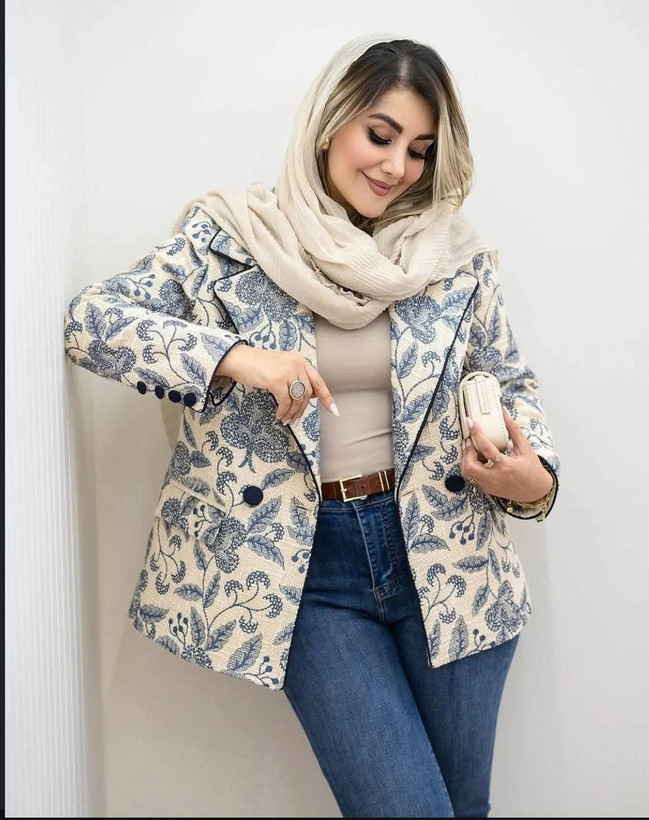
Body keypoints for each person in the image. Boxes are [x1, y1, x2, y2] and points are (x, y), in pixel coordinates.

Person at [63, 32, 560, 818]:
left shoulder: (451, 255)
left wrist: (535, 480)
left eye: (420, 150)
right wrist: (238, 358)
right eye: (379, 135)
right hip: (306, 569)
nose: (396, 167)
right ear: (330, 124)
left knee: (463, 809)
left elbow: (512, 384)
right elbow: (92, 322)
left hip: (450, 558)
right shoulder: (232, 238)